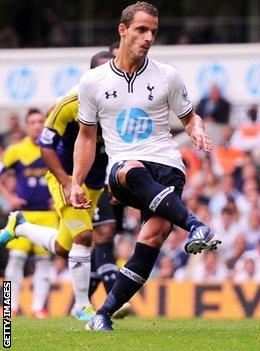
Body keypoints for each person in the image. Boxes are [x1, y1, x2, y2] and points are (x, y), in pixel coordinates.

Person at [70, 2, 220, 331]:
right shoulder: (92, 81)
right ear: (123, 31)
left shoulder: (167, 75)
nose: (148, 37)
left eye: (153, 31)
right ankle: (196, 225)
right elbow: (85, 138)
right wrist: (76, 181)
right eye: (141, 29)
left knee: (153, 237)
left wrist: (197, 130)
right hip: (125, 166)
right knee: (128, 167)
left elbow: (189, 116)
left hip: (167, 163)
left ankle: (103, 315)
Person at [0, 52, 116, 321]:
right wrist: (66, 182)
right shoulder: (69, 103)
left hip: (95, 181)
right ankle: (80, 305)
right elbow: (45, 145)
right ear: (90, 76)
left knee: (64, 248)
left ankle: (20, 226)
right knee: (85, 237)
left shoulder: (118, 100)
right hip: (65, 178)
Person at [0, 109, 56, 318]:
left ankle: (38, 307)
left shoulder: (53, 148)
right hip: (22, 216)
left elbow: (65, 173)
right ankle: (10, 307)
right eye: (33, 122)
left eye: (41, 121)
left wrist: (59, 197)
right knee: (15, 259)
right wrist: (10, 197)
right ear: (27, 125)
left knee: (44, 262)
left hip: (48, 215)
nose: (37, 125)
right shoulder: (16, 150)